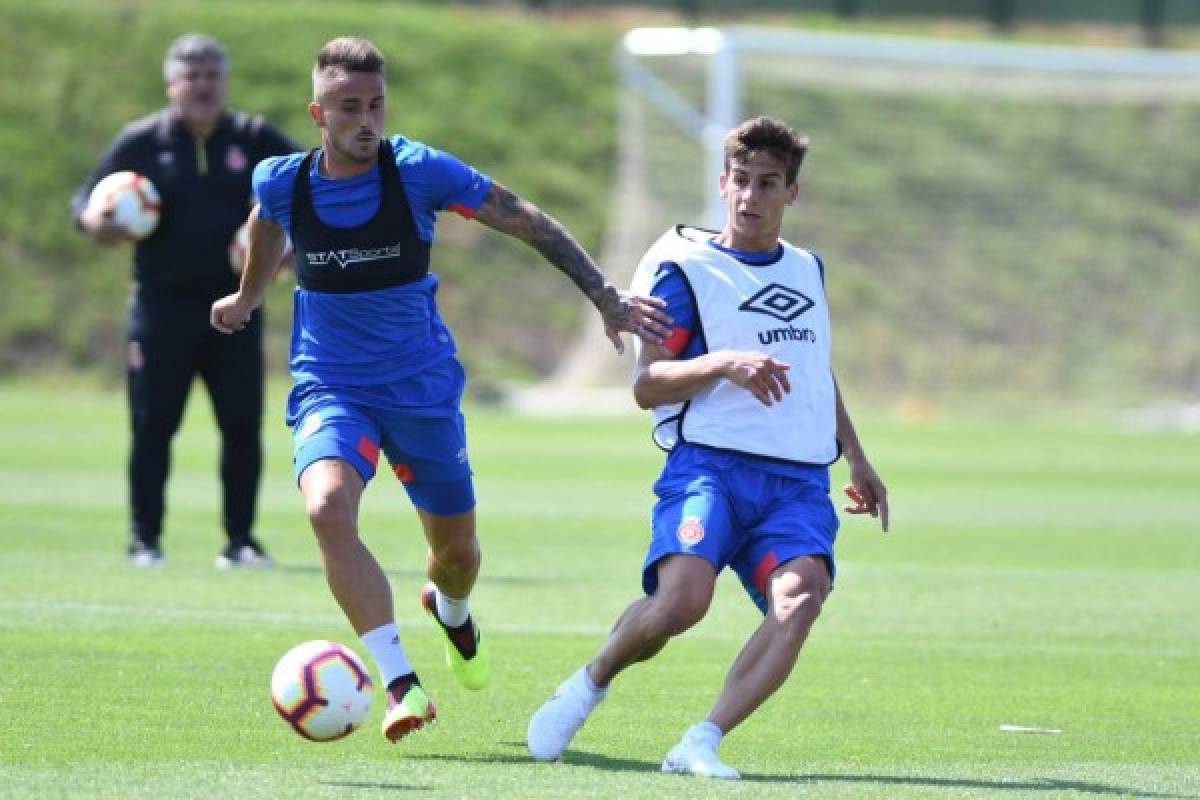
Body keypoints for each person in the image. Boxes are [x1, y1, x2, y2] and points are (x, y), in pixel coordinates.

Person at [209, 37, 671, 744]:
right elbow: (266, 229)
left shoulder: (419, 172)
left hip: (422, 391)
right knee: (328, 506)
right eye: (348, 108)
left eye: (376, 105)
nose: (367, 120)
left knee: (458, 556)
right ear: (318, 114)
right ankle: (401, 684)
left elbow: (523, 217)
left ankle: (451, 610)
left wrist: (604, 295)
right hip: (330, 384)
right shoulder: (282, 181)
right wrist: (246, 297)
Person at [526, 116, 889, 779]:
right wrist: (723, 363)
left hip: (797, 483)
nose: (751, 197)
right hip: (711, 469)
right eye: (741, 181)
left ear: (792, 194)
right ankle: (591, 680)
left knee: (801, 599)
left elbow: (814, 370)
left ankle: (701, 740)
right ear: (723, 183)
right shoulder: (684, 269)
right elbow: (646, 386)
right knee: (682, 603)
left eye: (768, 184)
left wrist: (858, 457)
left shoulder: (808, 270)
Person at [71, 34, 300, 569]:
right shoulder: (142, 141)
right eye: (191, 75)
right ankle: (144, 539)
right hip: (161, 311)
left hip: (236, 310)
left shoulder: (254, 136)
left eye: (211, 75)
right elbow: (84, 200)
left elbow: (315, 186)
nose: (202, 85)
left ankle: (240, 542)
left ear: (224, 81)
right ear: (172, 83)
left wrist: (289, 247)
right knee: (153, 427)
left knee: (242, 427)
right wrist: (95, 222)